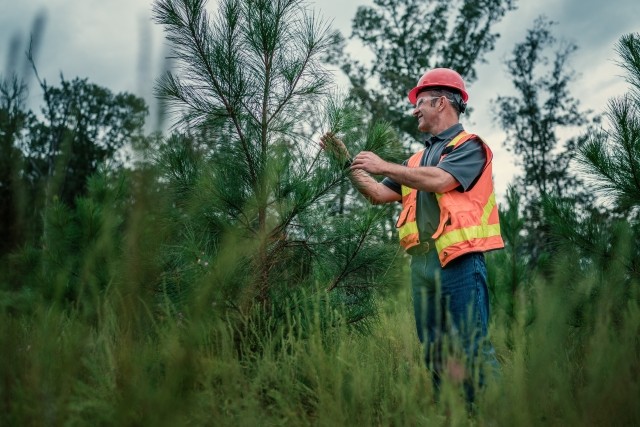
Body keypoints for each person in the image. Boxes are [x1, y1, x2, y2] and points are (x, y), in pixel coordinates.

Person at [320, 68, 504, 404]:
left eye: (419, 102)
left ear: (441, 102)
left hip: (459, 263)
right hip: (423, 267)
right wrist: (346, 162)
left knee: (471, 348)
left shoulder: (470, 147)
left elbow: (439, 181)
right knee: (435, 354)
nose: (414, 109)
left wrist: (385, 165)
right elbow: (376, 193)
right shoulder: (416, 160)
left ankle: (498, 416)